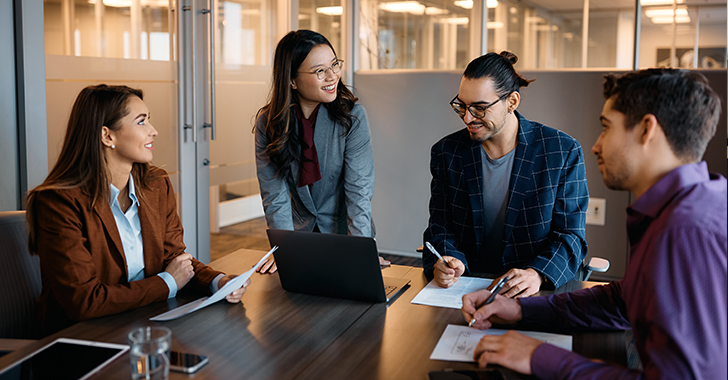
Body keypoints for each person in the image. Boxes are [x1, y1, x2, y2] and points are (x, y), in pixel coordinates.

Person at [461, 69, 726, 379]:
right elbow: (622, 301)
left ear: (646, 130)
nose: (596, 145)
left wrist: (539, 356)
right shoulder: (685, 207)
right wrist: (520, 310)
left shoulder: (686, 231)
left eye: (606, 128)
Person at [26, 85, 249, 336]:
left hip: (146, 321)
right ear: (107, 136)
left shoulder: (155, 184)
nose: (154, 131)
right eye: (141, 122)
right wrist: (167, 283)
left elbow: (174, 259)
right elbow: (85, 301)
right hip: (84, 338)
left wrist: (218, 282)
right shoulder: (59, 203)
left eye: (149, 120)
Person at [424, 51, 588, 296]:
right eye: (462, 106)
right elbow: (441, 226)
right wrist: (448, 259)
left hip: (533, 287)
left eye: (479, 108)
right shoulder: (447, 153)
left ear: (512, 101)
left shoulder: (561, 151)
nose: (468, 118)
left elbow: (570, 236)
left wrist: (537, 274)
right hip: (468, 285)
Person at [255, 30, 385, 273]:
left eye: (334, 65)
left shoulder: (352, 118)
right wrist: (283, 248)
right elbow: (275, 194)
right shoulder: (269, 122)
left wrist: (361, 250)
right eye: (320, 71)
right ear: (292, 80)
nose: (332, 76)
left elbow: (359, 191)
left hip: (345, 235)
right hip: (298, 236)